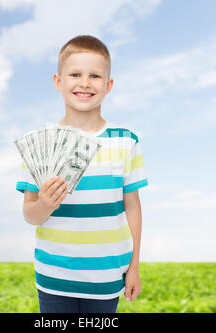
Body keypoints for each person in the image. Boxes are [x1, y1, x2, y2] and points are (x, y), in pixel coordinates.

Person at [16, 35, 149, 313]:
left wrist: (134, 266)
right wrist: (44, 205)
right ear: (58, 81)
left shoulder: (126, 141)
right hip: (53, 277)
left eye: (95, 76)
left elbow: (133, 207)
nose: (85, 83)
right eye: (75, 74)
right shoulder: (40, 143)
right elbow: (29, 214)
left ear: (108, 85)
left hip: (107, 277)